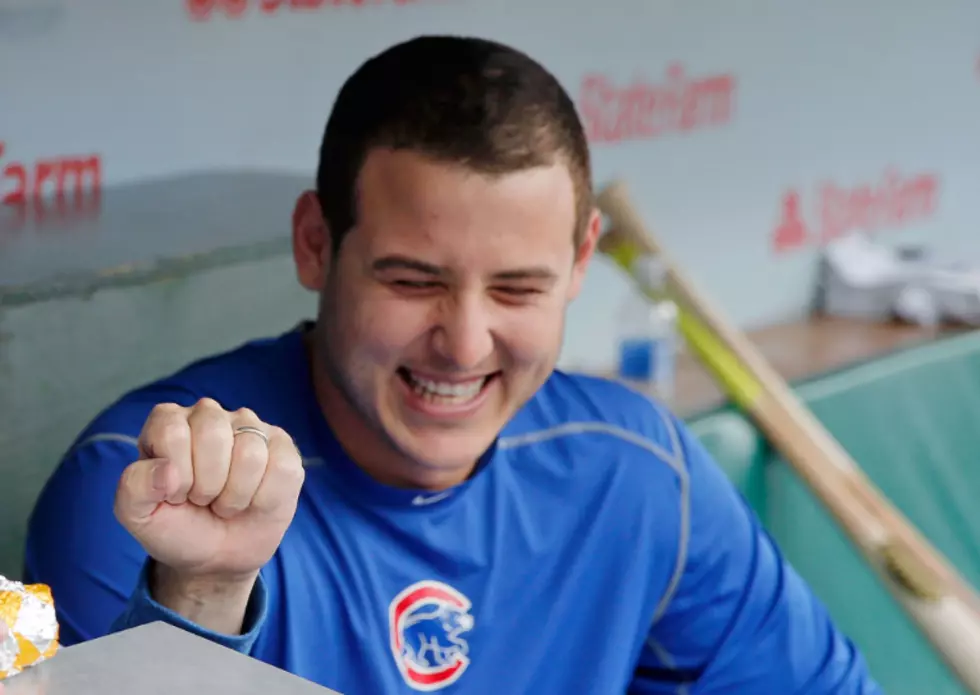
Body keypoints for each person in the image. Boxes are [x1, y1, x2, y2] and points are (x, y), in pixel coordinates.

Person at [24, 35, 881, 693]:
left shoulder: (634, 468)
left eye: (516, 289)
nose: (466, 344)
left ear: (582, 263)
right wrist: (203, 591)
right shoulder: (153, 490)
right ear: (316, 245)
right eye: (413, 280)